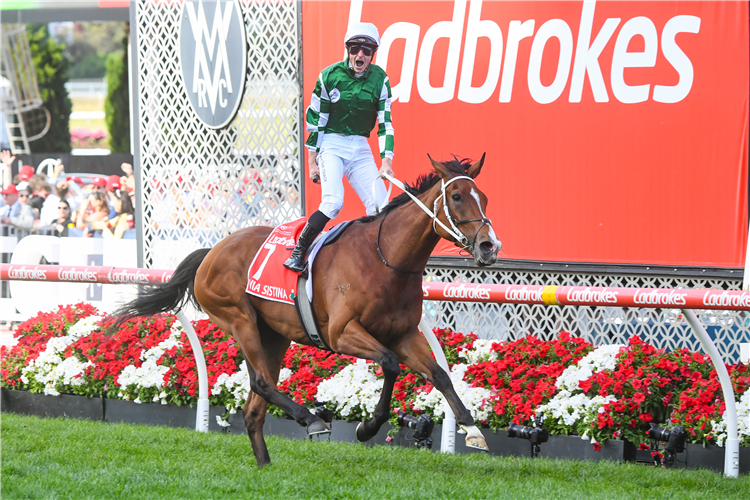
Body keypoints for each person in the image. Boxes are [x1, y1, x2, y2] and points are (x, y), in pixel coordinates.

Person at [284, 22, 395, 272]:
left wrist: (386, 161)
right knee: (333, 201)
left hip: (359, 145)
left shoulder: (381, 79)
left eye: (367, 50)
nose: (360, 55)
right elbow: (316, 121)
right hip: (331, 143)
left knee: (380, 205)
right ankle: (299, 251)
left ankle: (375, 260)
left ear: (373, 54)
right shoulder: (329, 76)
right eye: (355, 48)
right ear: (347, 49)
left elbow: (386, 124)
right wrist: (312, 161)